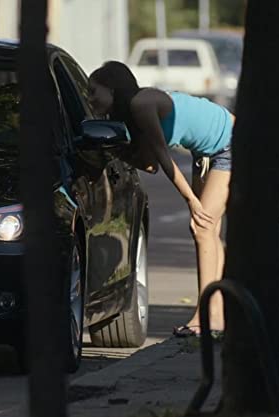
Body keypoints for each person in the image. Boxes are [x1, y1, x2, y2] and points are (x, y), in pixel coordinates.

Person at [87, 61, 234, 337]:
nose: (90, 99)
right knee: (209, 229)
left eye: (94, 91)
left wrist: (191, 199)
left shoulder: (142, 103)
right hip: (205, 152)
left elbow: (164, 158)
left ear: (112, 87)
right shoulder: (129, 119)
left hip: (229, 143)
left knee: (201, 226)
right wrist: (116, 151)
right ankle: (217, 315)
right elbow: (151, 165)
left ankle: (207, 317)